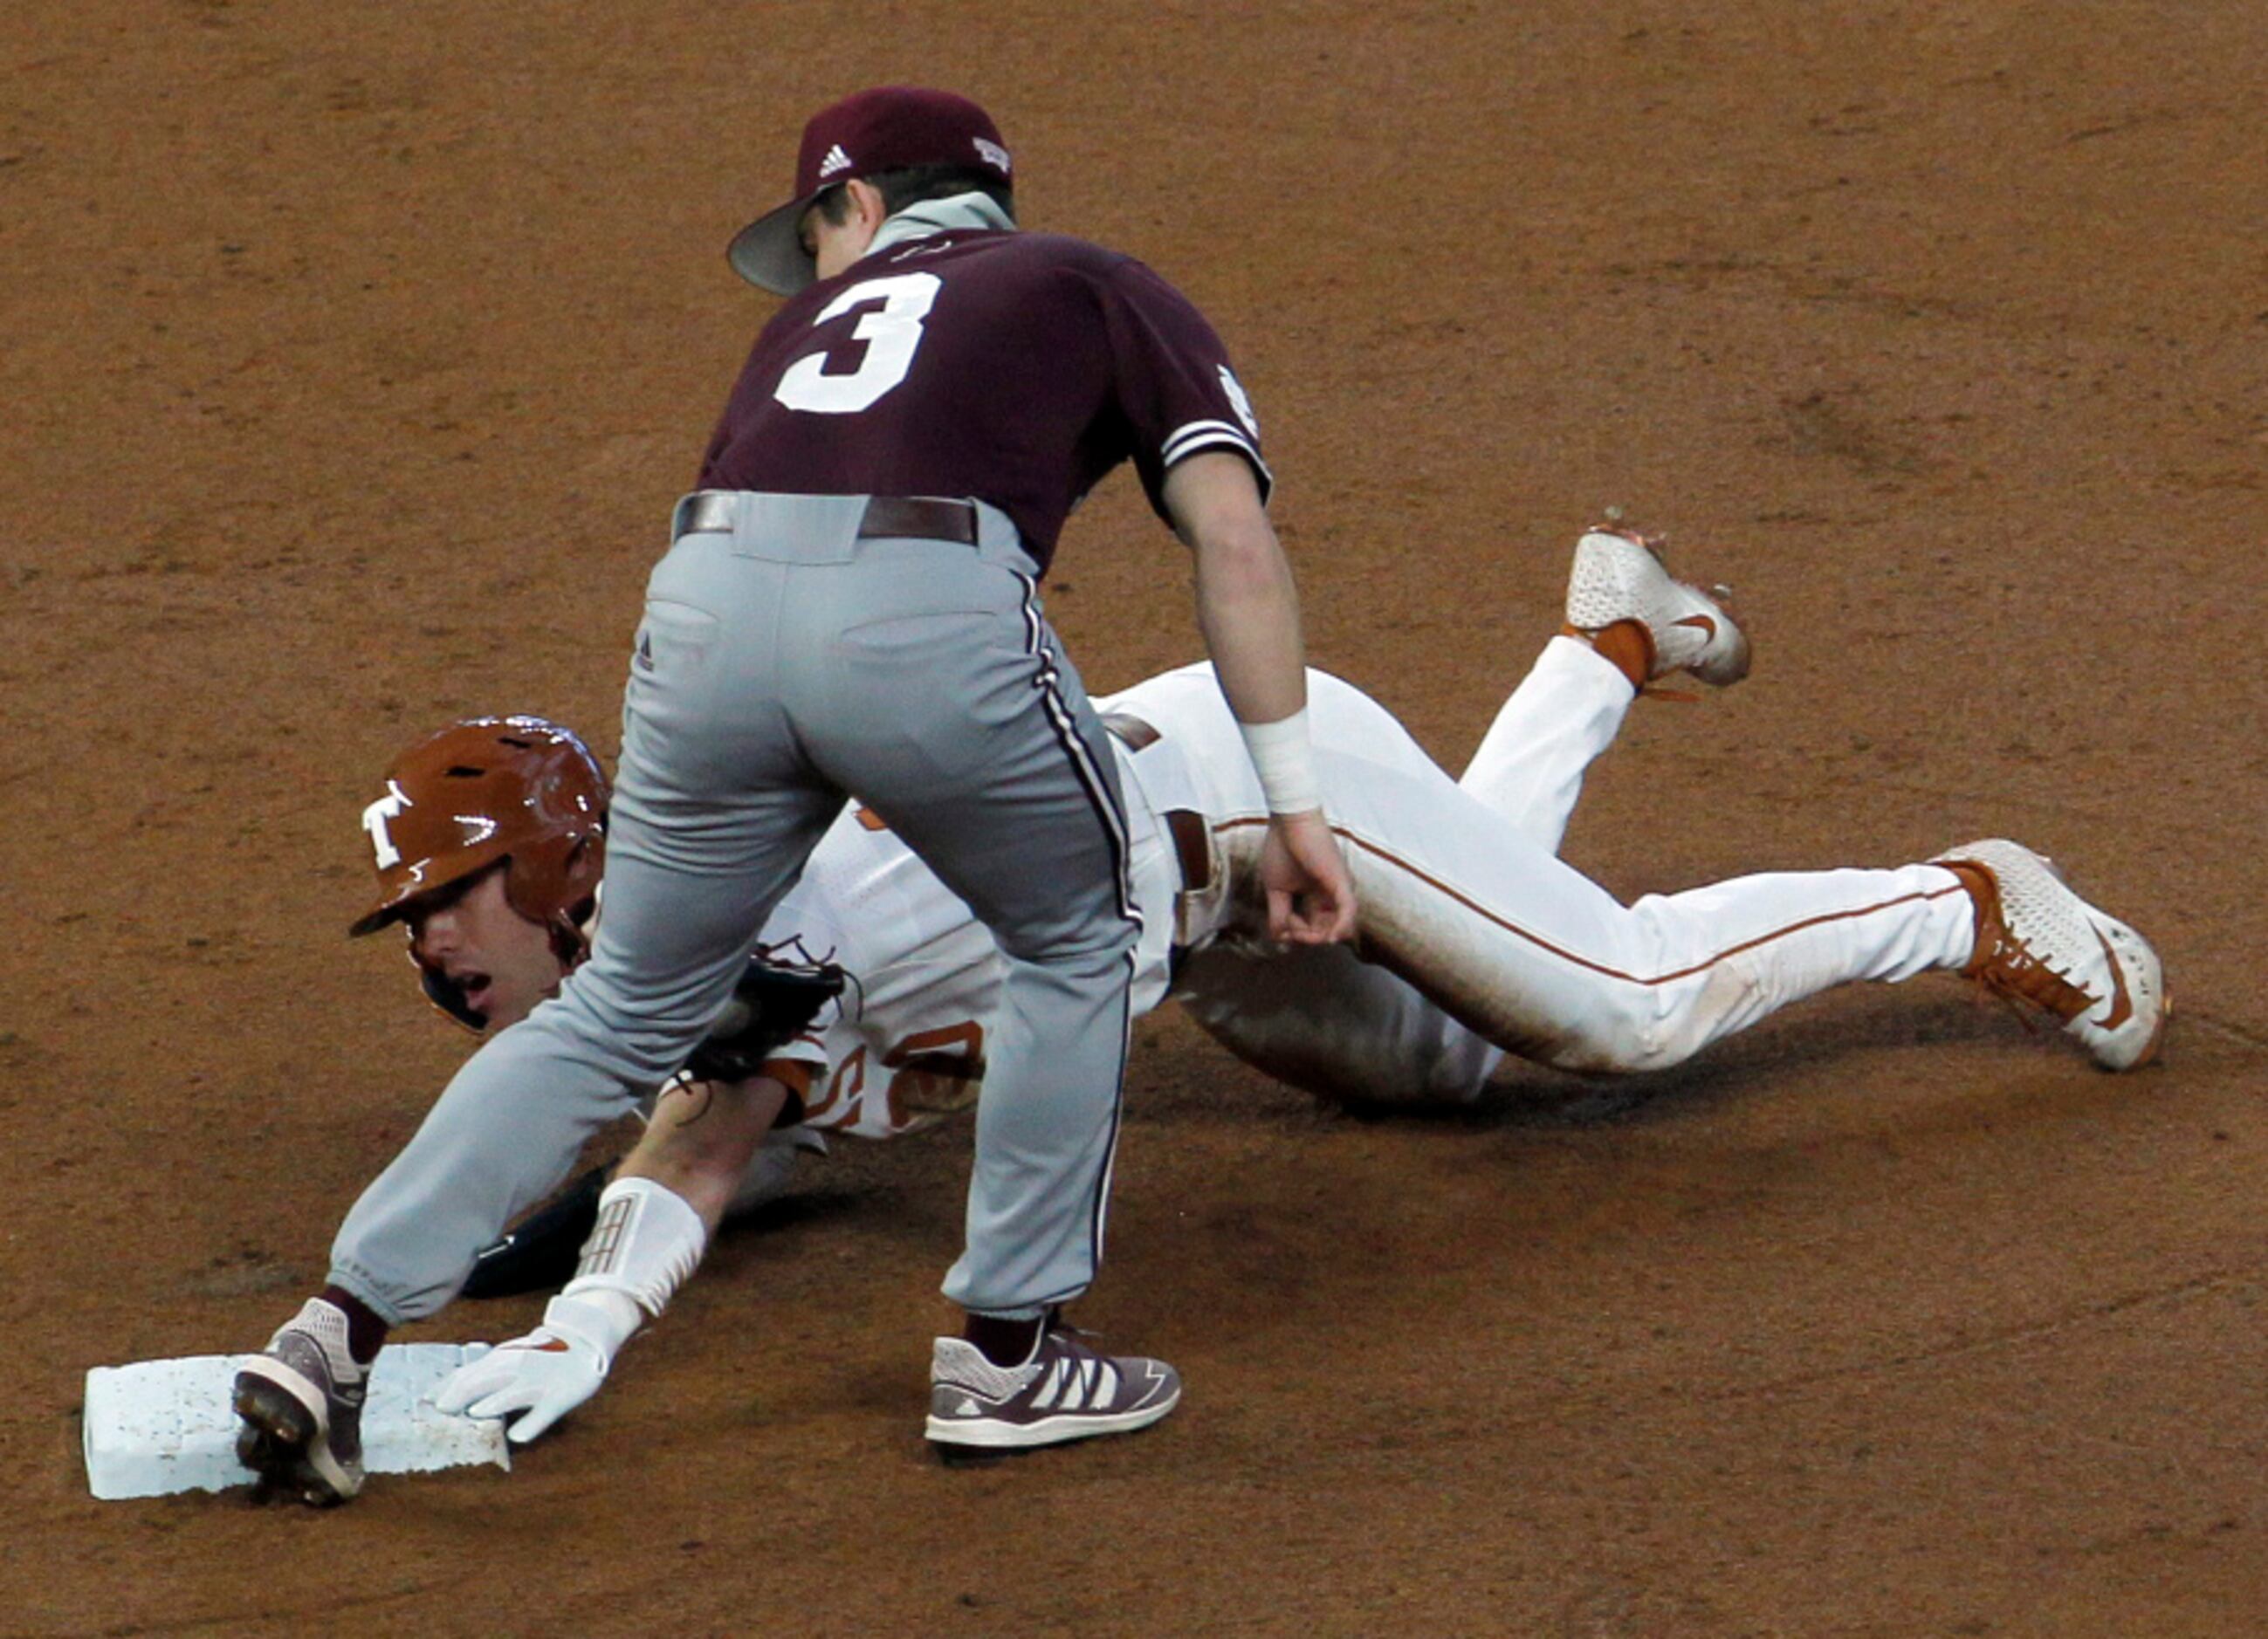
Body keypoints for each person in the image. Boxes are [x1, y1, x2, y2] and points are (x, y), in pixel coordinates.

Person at [271, 530, 2164, 1485]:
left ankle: (1966, 899)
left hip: (1257, 806)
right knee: (1443, 1063)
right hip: (1188, 934)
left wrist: (598, 1303)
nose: (430, 949)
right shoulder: (653, 961)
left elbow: (721, 1108)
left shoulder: (739, 881)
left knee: (1625, 1012)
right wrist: (590, 1302)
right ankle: (1603, 637)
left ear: (551, 868)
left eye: (442, 904)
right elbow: (711, 1113)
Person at [233, 83, 1359, 1505]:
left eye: (814, 232)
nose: (816, 265)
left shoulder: (795, 334)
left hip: (704, 605)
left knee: (623, 1003)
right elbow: (1234, 541)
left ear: (861, 209)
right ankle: (1008, 1357)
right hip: (927, 604)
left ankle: (332, 1329)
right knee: (1078, 936)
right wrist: (1296, 802)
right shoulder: (1092, 281)